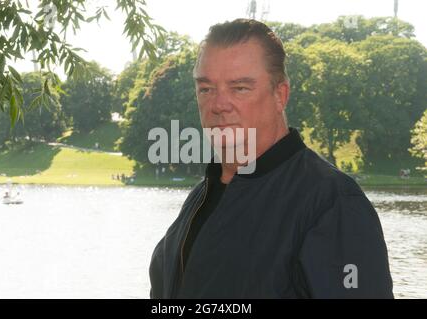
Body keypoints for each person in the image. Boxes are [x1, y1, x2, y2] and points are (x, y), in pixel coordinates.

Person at [149, 19, 393, 299]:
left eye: (239, 88)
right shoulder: (200, 198)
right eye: (206, 89)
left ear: (280, 95)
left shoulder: (331, 202)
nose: (218, 105)